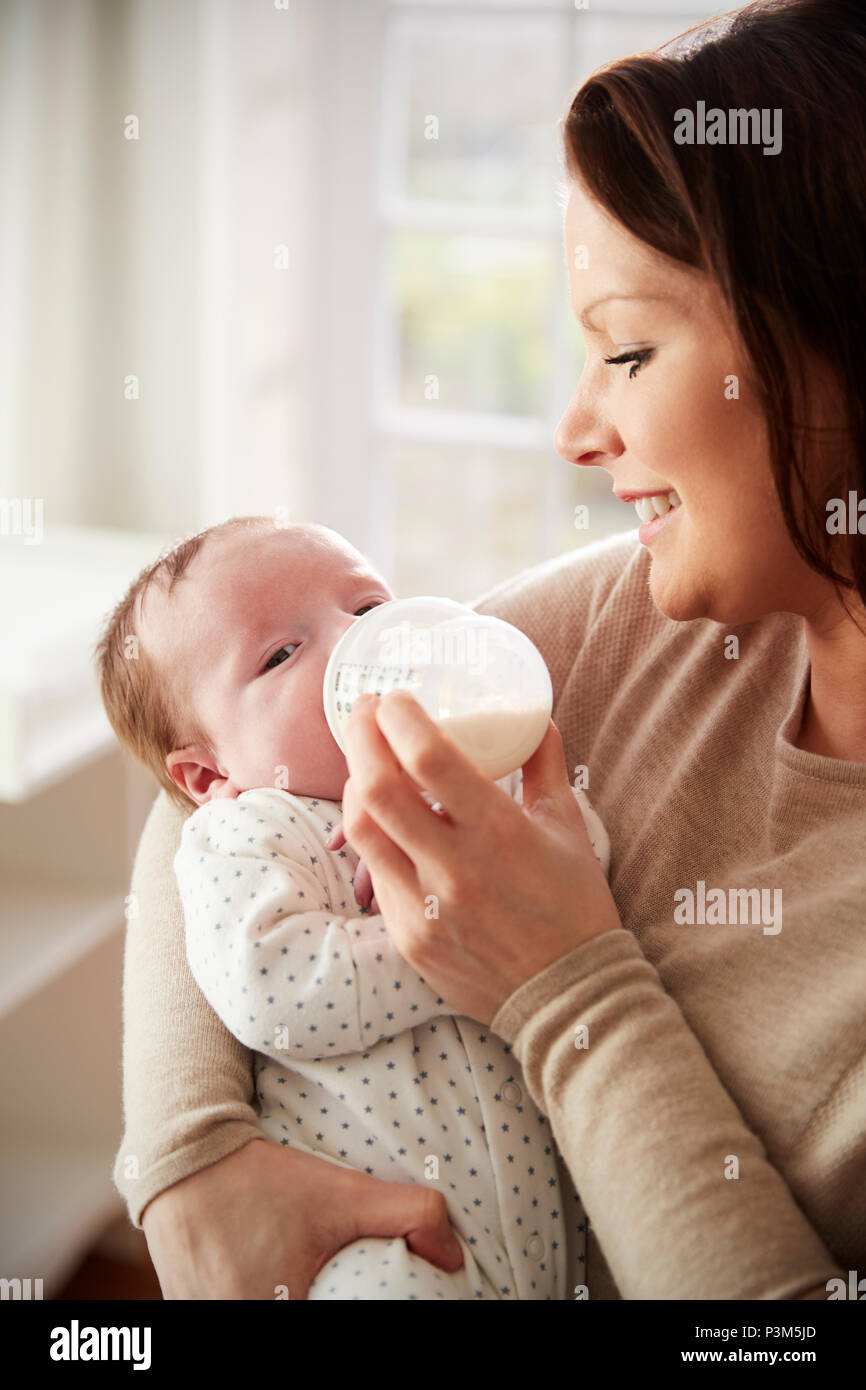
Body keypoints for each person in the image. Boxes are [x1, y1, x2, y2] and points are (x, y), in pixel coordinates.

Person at [112, 0, 866, 1299]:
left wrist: (563, 981)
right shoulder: (642, 622)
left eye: (627, 349)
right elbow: (233, 776)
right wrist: (189, 1164)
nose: (574, 430)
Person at [95, 515, 610, 1299]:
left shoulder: (469, 774)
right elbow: (273, 985)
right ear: (209, 777)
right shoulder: (246, 832)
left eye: (368, 610)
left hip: (555, 1233)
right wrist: (472, 939)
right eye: (279, 653)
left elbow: (579, 862)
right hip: (386, 1245)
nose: (355, 645)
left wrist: (525, 870)